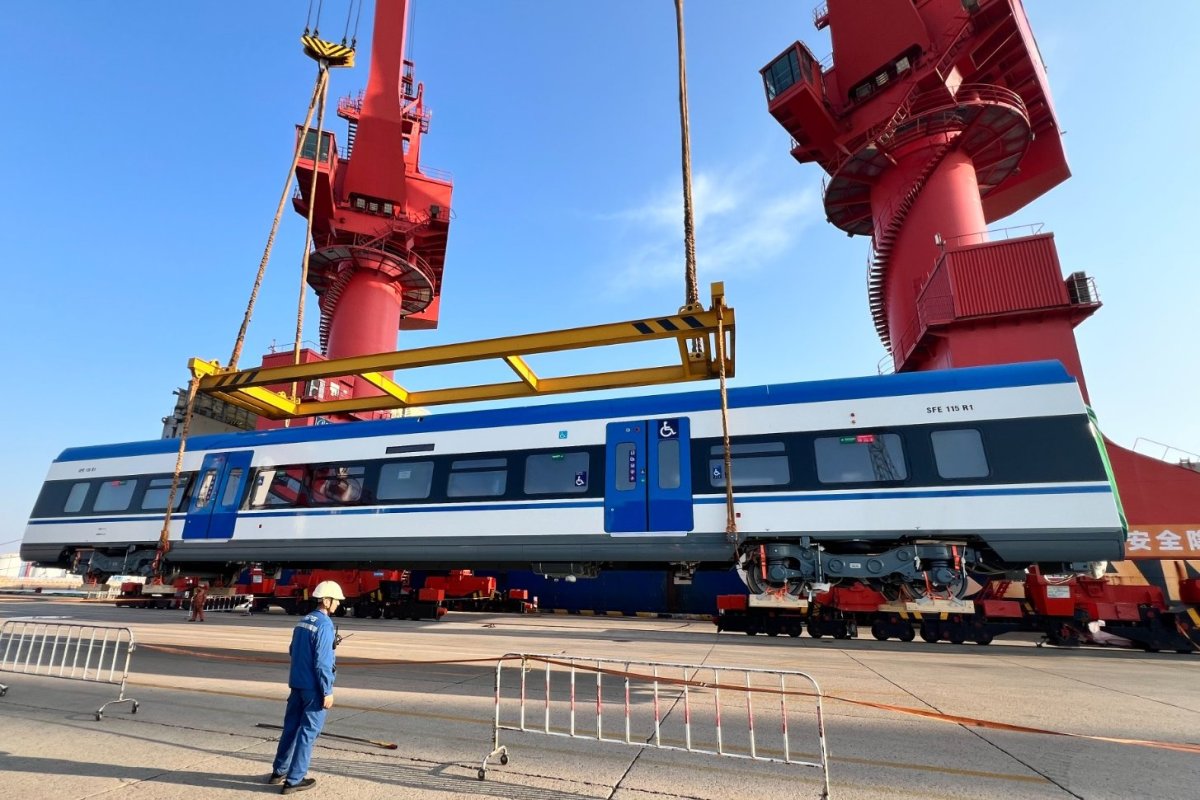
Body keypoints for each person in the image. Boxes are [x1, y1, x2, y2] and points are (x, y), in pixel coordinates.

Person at [268, 580, 343, 794]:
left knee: (290, 728)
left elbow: (293, 650)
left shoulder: (302, 621)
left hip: (297, 684)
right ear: (327, 601)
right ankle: (294, 780)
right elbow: (323, 663)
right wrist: (327, 691)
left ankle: (278, 771)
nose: (338, 604)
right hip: (314, 689)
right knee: (308, 732)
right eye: (336, 601)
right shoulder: (324, 624)